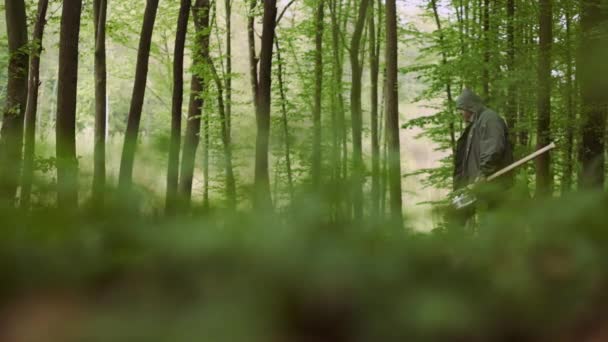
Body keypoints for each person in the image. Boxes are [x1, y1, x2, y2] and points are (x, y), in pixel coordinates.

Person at [450, 89, 514, 228]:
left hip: (493, 186)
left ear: (469, 106)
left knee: (494, 226)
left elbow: (494, 148)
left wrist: (483, 173)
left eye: (461, 109)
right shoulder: (475, 124)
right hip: (481, 187)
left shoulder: (489, 119)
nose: (459, 113)